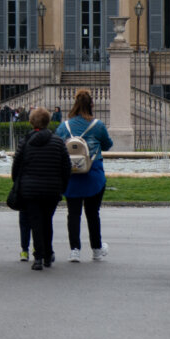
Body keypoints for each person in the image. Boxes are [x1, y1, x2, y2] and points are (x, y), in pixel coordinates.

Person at [10, 107, 72, 270]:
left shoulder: (25, 141)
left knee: (36, 222)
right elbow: (66, 167)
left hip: (30, 189)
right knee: (47, 221)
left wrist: (18, 184)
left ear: (31, 122)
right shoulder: (58, 142)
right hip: (52, 189)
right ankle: (48, 254)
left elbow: (16, 166)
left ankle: (38, 257)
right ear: (48, 121)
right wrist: (62, 186)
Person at [56, 89, 113, 262]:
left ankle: (75, 250)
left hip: (72, 176)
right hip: (93, 175)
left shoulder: (64, 126)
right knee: (93, 213)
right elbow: (108, 145)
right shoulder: (98, 126)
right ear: (91, 105)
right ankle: (96, 248)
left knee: (73, 214)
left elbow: (58, 146)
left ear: (74, 104)